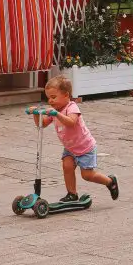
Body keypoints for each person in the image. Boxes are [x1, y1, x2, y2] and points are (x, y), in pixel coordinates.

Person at [32, 75, 119, 203]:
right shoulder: (56, 109)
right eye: (48, 97)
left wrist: (57, 114)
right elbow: (43, 124)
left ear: (66, 95)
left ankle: (110, 182)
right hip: (70, 148)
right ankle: (72, 194)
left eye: (53, 97)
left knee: (87, 175)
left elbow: (71, 122)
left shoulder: (72, 107)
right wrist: (36, 114)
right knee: (67, 166)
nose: (50, 101)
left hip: (85, 147)